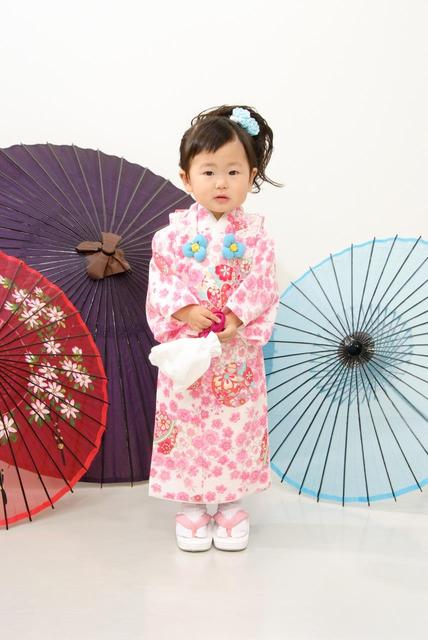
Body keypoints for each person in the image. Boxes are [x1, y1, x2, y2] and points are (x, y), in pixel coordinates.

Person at [146, 104, 281, 552]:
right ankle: (190, 506)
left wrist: (237, 316)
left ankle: (230, 504)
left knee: (235, 424)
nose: (221, 183)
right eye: (208, 172)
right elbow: (162, 281)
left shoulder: (257, 236)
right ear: (186, 178)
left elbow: (263, 283)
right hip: (190, 352)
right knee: (185, 422)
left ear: (251, 176)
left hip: (235, 352)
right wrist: (185, 310)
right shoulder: (170, 236)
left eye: (233, 171)